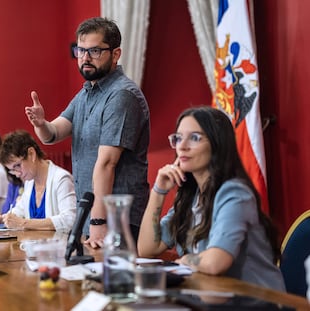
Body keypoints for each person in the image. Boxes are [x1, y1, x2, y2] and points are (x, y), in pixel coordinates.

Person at [25, 17, 150, 247]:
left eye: (94, 50)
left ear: (116, 54)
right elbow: (53, 134)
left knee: (113, 282)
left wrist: (99, 220)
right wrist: (41, 123)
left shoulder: (122, 95)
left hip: (117, 219)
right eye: (80, 50)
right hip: (90, 215)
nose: (85, 57)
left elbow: (106, 165)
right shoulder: (86, 93)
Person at [137, 106, 285, 291]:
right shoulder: (192, 197)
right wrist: (158, 191)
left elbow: (216, 262)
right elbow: (147, 249)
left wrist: (184, 260)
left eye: (195, 138)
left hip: (258, 300)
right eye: (178, 138)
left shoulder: (235, 194)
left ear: (217, 144)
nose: (182, 146)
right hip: (214, 295)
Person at [0, 130, 76, 232]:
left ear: (31, 154)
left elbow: (70, 220)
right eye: (12, 170)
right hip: (34, 246)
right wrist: (2, 219)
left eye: (17, 166)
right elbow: (19, 211)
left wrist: (24, 223)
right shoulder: (29, 182)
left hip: (58, 246)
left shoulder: (61, 179)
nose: (17, 174)